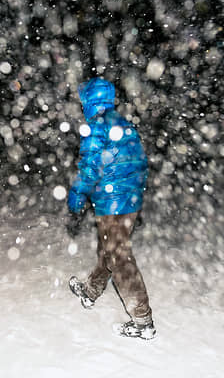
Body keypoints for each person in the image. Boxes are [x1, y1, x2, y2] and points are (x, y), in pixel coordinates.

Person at [65, 77, 155, 340]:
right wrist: (134, 193)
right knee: (109, 249)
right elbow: (141, 163)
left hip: (113, 202)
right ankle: (91, 291)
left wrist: (77, 194)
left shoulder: (97, 128)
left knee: (118, 257)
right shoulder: (124, 124)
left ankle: (143, 321)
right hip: (128, 201)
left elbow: (90, 168)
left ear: (90, 102)